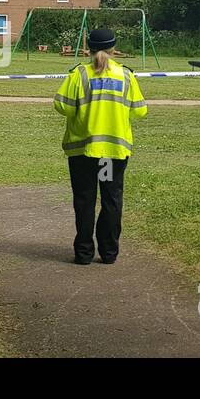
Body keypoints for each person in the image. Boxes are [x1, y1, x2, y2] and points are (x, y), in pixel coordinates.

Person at [53, 28, 148, 264]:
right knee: (111, 199)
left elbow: (62, 106)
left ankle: (84, 252)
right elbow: (140, 111)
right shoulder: (126, 76)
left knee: (84, 200)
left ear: (89, 48)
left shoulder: (79, 75)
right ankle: (109, 252)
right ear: (114, 48)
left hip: (83, 151)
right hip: (113, 153)